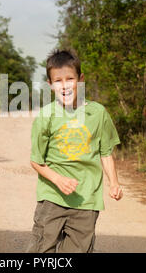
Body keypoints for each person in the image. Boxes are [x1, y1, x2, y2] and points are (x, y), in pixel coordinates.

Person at [27, 49, 123, 253]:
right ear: (50, 85)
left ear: (80, 79)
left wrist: (114, 182)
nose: (65, 86)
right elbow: (36, 161)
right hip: (52, 197)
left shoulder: (98, 113)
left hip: (86, 199)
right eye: (58, 81)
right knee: (41, 250)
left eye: (70, 79)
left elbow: (105, 152)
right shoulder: (46, 116)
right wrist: (58, 179)